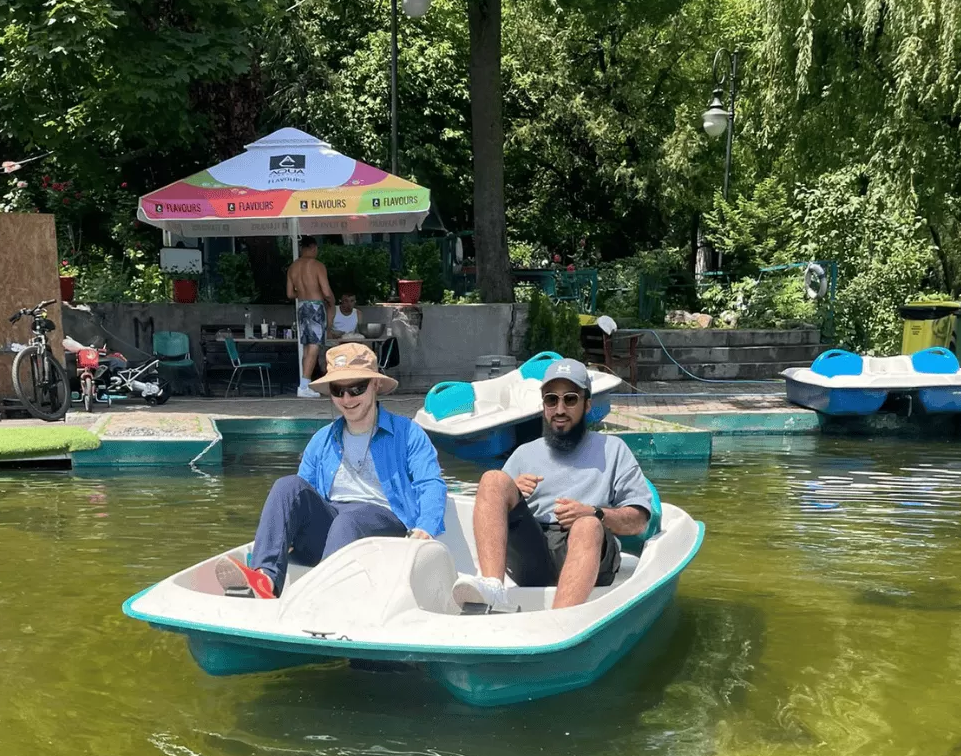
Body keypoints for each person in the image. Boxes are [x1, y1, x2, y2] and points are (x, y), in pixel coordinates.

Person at [216, 342, 447, 599]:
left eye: (356, 388)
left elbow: (430, 483)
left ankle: (319, 597)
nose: (347, 399)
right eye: (338, 390)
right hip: (333, 528)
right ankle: (265, 580)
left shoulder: (408, 433)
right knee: (287, 486)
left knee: (349, 519)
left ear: (375, 386)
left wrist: (426, 527)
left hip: (384, 532)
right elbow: (300, 497)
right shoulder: (322, 439)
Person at [453, 358, 652, 611]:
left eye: (570, 399)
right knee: (493, 480)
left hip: (590, 549)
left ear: (587, 404)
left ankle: (561, 619)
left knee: (587, 525)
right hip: (534, 553)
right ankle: (493, 589)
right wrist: (513, 490)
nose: (560, 409)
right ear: (543, 405)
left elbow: (639, 520)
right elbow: (491, 510)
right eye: (551, 400)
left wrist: (595, 512)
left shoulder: (614, 450)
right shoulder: (524, 454)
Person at [287, 236, 335, 398]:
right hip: (315, 306)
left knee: (307, 346)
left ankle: (304, 383)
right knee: (314, 346)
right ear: (313, 247)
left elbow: (289, 293)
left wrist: (302, 292)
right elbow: (327, 291)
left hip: (302, 306)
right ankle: (304, 386)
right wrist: (330, 301)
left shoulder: (293, 267)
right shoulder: (317, 266)